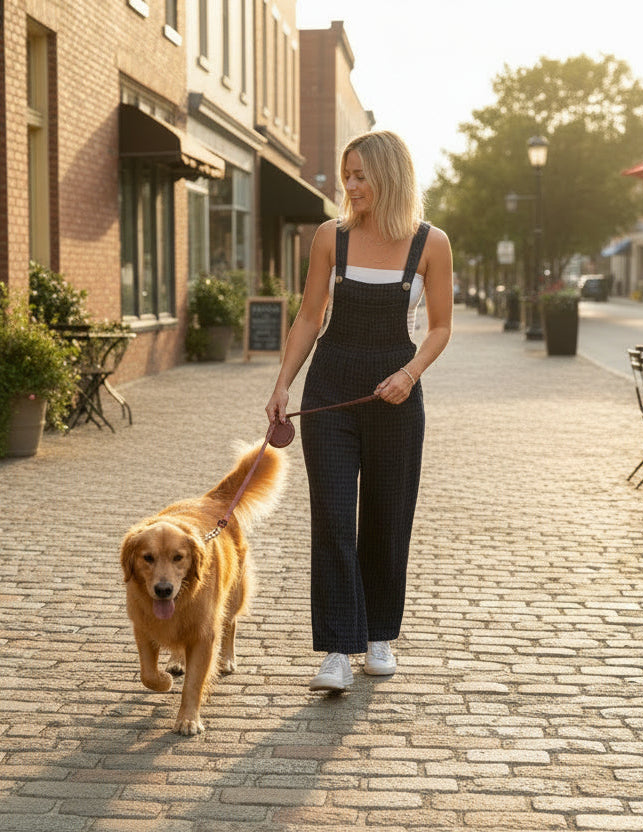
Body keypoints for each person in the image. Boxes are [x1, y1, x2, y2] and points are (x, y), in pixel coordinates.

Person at [265, 130, 453, 691]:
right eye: (347, 174)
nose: (350, 185)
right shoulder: (331, 238)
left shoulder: (431, 244)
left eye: (360, 176)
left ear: (389, 176)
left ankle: (378, 636)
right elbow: (307, 318)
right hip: (330, 393)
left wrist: (409, 373)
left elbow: (441, 327)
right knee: (333, 518)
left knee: (387, 519)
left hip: (395, 394)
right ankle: (337, 651)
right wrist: (283, 386)